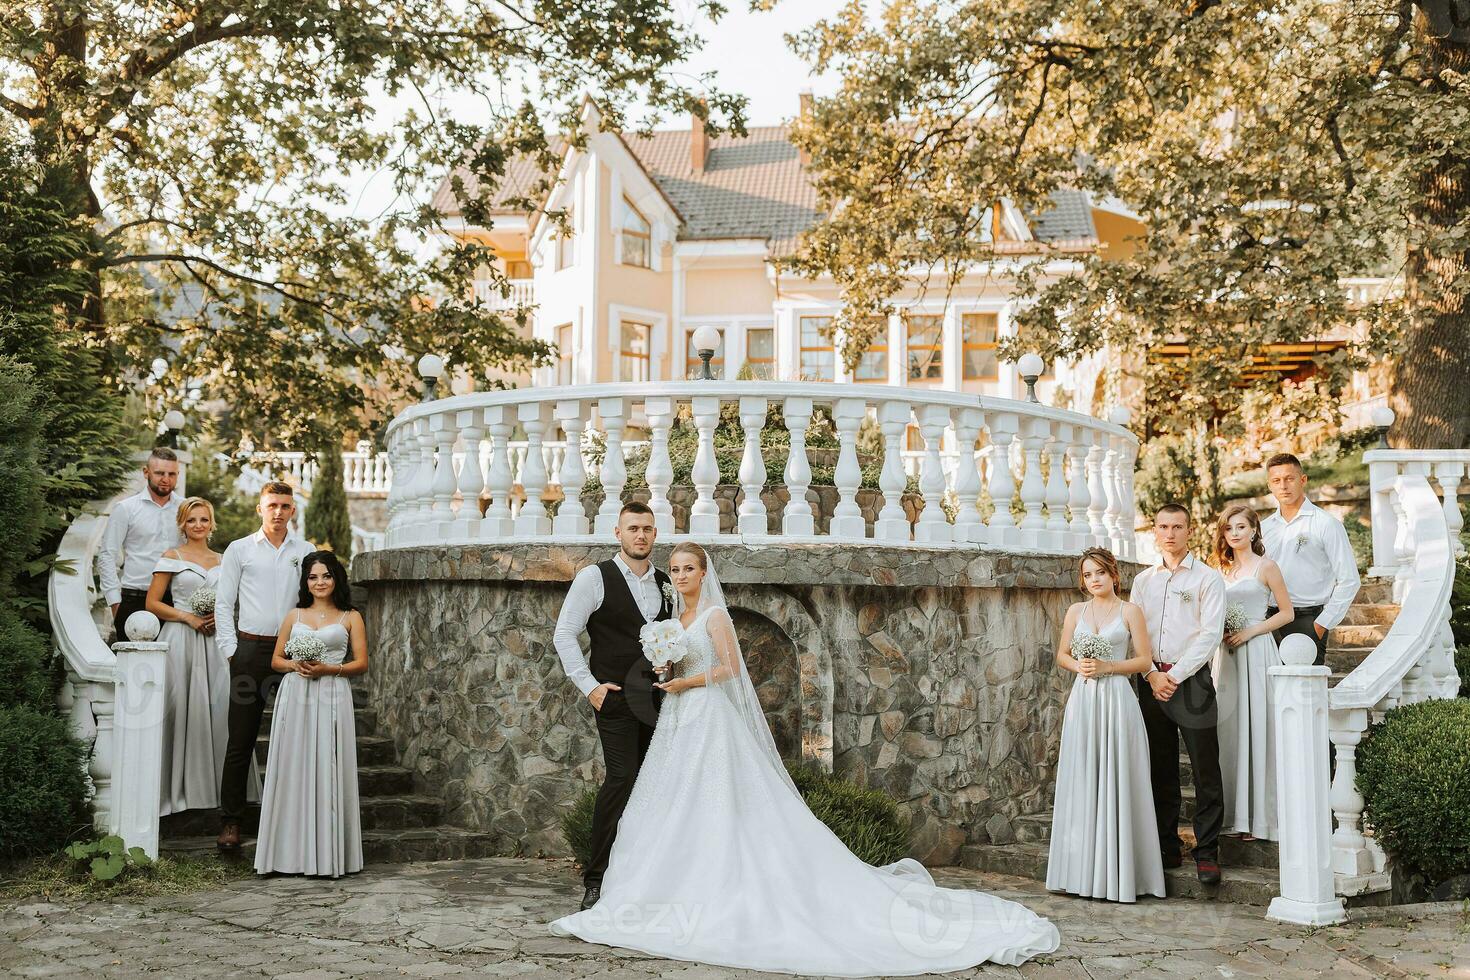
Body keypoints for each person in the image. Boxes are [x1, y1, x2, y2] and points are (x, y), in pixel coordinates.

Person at [549, 542, 1060, 973]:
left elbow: (729, 669)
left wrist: (682, 679)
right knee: (670, 802)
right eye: (676, 569)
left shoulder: (714, 614)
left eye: (689, 569)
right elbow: (669, 656)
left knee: (719, 801)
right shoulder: (672, 617)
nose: (681, 575)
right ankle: (661, 891)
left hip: (706, 715)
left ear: (704, 573)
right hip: (677, 722)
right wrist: (664, 660)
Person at [552, 501, 674, 912]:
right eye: (633, 528)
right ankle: (596, 879)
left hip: (661, 700)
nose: (641, 535)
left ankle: (642, 876)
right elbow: (565, 634)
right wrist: (590, 687)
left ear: (655, 535)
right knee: (621, 779)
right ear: (618, 533)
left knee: (656, 784)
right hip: (616, 698)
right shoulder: (595, 577)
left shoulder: (665, 582)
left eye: (648, 529)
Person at [1046, 548, 1165, 903]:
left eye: (1099, 572)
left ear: (1113, 574)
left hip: (1116, 700)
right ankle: (1080, 872)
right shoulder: (1075, 611)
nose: (1094, 579)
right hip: (1084, 701)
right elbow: (1062, 654)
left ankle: (1121, 874)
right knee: (1084, 775)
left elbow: (1144, 659)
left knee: (1118, 777)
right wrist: (1079, 666)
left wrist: (1107, 668)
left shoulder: (1131, 611)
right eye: (1087, 575)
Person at [214, 482, 316, 851]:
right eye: (272, 505)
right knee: (240, 740)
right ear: (260, 509)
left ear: (292, 511)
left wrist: (312, 644)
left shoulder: (305, 552)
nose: (278, 512)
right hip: (250, 653)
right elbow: (224, 604)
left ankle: (298, 819)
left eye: (285, 506)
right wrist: (231, 650)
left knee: (298, 737)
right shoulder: (239, 549)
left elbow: (313, 600)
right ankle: (231, 822)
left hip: (292, 653)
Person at [1130, 503, 1228, 885]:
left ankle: (1207, 853)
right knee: (1160, 768)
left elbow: (1209, 634)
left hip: (1193, 683)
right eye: (1163, 527)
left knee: (1206, 770)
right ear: (1155, 532)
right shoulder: (1143, 581)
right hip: (1150, 681)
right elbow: (1136, 631)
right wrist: (1153, 674)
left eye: (1177, 526)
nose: (1170, 533)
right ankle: (1166, 847)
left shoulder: (1207, 579)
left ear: (1191, 530)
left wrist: (1176, 675)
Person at [254, 550, 366, 877]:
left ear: (336, 578)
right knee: (294, 766)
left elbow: (361, 663)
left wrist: (329, 668)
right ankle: (288, 854)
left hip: (332, 692)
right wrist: (295, 664)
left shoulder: (350, 617)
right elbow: (276, 659)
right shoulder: (295, 615)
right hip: (296, 694)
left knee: (329, 764)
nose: (320, 582)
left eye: (326, 576)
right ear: (305, 581)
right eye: (313, 577)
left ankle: (329, 854)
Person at [145, 498, 259, 814]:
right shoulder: (172, 557)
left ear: (212, 523)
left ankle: (224, 790)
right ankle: (179, 788)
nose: (198, 525)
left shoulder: (225, 559)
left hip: (216, 641)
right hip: (181, 639)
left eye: (204, 519)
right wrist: (188, 617)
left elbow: (236, 601)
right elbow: (152, 603)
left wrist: (221, 622)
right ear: (182, 524)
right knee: (181, 708)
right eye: (192, 520)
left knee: (223, 709)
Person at [1211, 505, 1294, 842]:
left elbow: (1287, 613)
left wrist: (1251, 631)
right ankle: (1233, 815)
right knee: (1228, 730)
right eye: (1228, 528)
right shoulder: (1218, 569)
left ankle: (1260, 818)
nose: (1234, 533)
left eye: (1241, 526)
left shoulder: (1267, 566)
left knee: (1258, 728)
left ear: (1254, 530)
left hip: (1257, 650)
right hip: (1226, 656)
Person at [1261, 453, 1360, 667]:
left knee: (1305, 693)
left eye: (1290, 478)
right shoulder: (1263, 528)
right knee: (1270, 693)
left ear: (1303, 480)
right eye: (1276, 481)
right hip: (1267, 621)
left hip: (1307, 620)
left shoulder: (1325, 524)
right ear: (1269, 485)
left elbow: (1350, 580)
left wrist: (1322, 623)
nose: (1283, 486)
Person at [98, 447, 182, 638]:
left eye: (171, 474)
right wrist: (115, 603)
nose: (166, 479)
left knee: (172, 666)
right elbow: (107, 556)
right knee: (132, 665)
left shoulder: (185, 509)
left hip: (175, 601)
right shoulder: (126, 509)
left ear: (178, 474)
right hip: (134, 599)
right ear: (146, 472)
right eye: (160, 473)